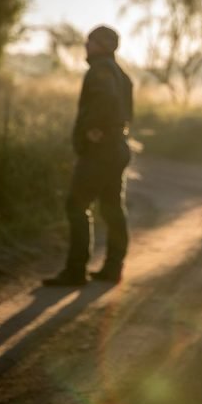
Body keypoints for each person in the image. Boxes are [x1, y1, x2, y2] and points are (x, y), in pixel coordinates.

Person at [44, 25, 133, 287]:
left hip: (101, 151)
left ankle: (75, 271)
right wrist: (113, 131)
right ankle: (112, 268)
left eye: (91, 41)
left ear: (104, 45)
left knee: (76, 205)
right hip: (117, 147)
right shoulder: (122, 74)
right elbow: (126, 111)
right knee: (111, 206)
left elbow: (106, 101)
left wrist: (96, 129)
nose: (86, 45)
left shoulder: (101, 70)